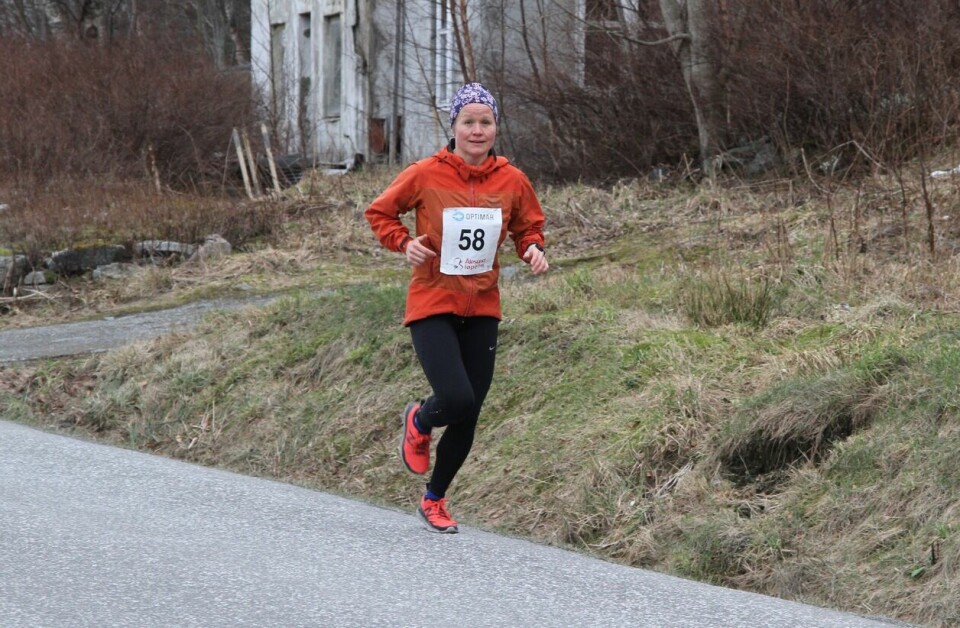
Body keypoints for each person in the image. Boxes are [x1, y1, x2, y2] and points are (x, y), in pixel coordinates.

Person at [365, 82, 549, 533]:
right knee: (456, 398)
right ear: (454, 126)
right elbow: (380, 213)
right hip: (433, 302)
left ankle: (435, 499)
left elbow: (529, 225)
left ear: (495, 128)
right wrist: (404, 243)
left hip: (483, 306)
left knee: (471, 410)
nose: (477, 130)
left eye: (485, 122)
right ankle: (420, 417)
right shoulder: (426, 173)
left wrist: (533, 248)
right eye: (468, 121)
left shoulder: (512, 180)